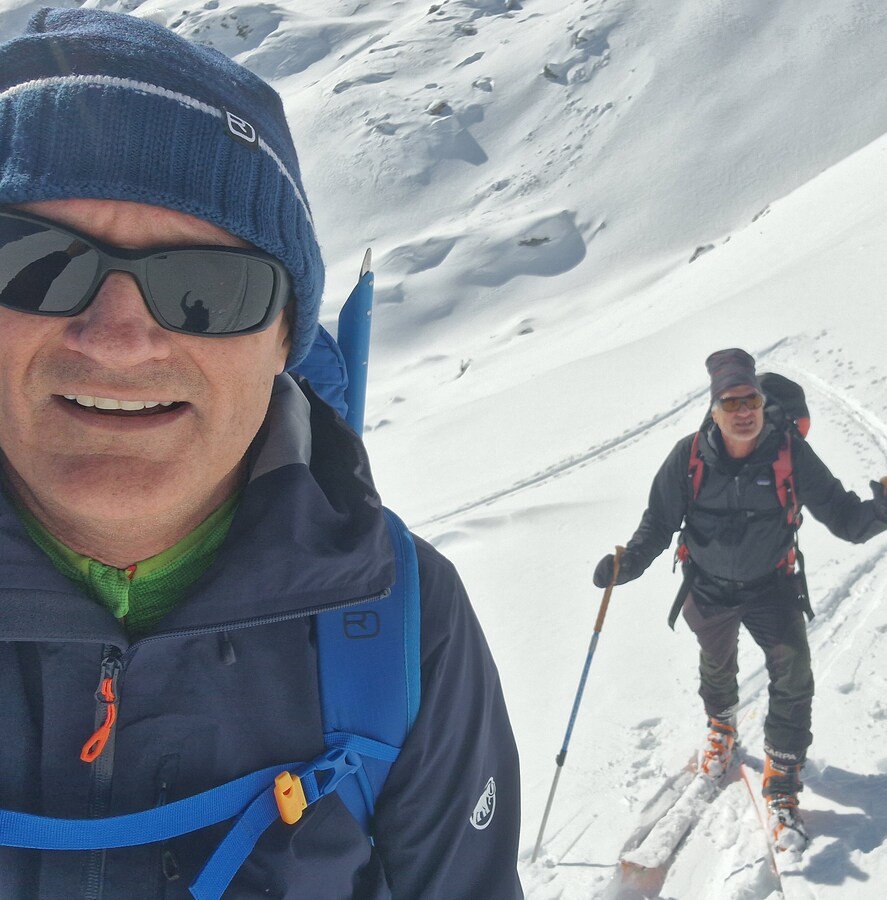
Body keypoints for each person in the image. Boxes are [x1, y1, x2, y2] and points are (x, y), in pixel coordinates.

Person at [0, 8, 521, 899]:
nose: (118, 339)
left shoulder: (399, 623)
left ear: (285, 341)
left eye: (208, 289)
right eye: (36, 263)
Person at [593, 348, 887, 849]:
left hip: (772, 585)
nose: (743, 411)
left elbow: (844, 519)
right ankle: (721, 727)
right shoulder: (688, 457)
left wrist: (881, 512)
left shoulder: (790, 453)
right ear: (714, 409)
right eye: (731, 402)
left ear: (762, 403)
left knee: (794, 675)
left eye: (751, 400)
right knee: (716, 664)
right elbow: (658, 523)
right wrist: (628, 564)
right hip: (708, 585)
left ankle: (782, 782)